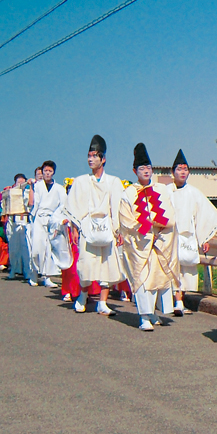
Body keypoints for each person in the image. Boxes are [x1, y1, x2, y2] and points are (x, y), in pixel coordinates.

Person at [118, 143, 181, 331]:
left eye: (148, 167)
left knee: (157, 279)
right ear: (134, 171)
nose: (146, 171)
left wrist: (158, 227)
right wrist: (142, 228)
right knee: (142, 279)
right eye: (142, 168)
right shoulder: (128, 193)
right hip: (139, 243)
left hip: (160, 241)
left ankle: (152, 312)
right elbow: (125, 221)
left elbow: (170, 215)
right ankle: (144, 317)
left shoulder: (161, 189)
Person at [65, 135, 124, 315]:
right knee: (86, 262)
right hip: (87, 226)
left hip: (107, 227)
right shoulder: (81, 181)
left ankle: (103, 303)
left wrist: (118, 230)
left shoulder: (113, 181)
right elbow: (74, 205)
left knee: (107, 263)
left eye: (95, 156)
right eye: (89, 156)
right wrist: (75, 228)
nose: (91, 159)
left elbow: (117, 207)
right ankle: (82, 296)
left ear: (103, 159)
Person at [167, 150, 217, 316]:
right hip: (170, 237)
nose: (183, 172)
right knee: (172, 270)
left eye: (185, 169)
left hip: (187, 237)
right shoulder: (166, 191)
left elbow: (203, 215)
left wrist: (204, 238)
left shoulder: (194, 192)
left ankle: (180, 300)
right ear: (173, 172)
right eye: (179, 169)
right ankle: (176, 301)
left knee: (186, 271)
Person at [29, 161, 70, 288]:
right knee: (36, 248)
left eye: (50, 171)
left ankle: (47, 276)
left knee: (49, 249)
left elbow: (63, 205)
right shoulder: (37, 186)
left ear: (53, 173)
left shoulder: (59, 188)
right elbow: (32, 203)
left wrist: (58, 219)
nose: (47, 173)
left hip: (52, 219)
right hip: (39, 218)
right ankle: (34, 273)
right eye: (45, 171)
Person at [2, 173, 32, 281]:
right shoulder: (10, 192)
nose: (20, 184)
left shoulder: (28, 192)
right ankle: (13, 269)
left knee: (25, 248)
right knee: (13, 248)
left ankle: (27, 271)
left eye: (22, 182)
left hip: (24, 221)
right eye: (18, 182)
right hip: (13, 221)